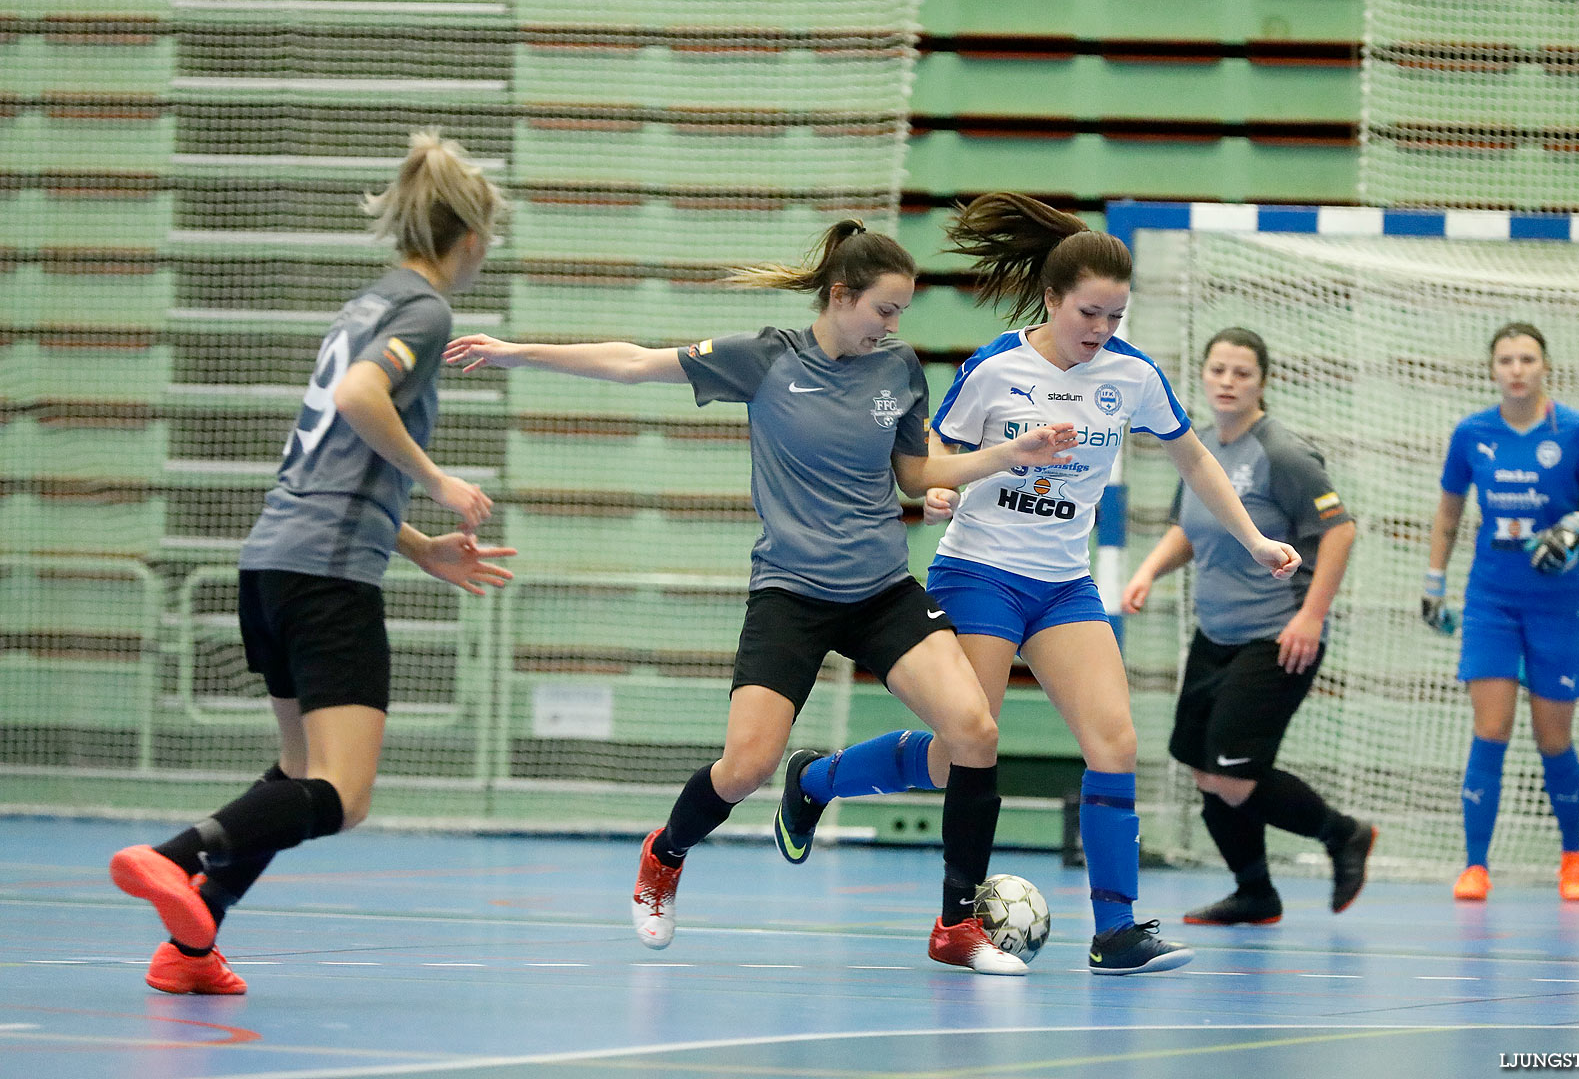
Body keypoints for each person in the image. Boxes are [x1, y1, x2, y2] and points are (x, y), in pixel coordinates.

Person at [443, 221, 1078, 975]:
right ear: (841, 297)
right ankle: (665, 854)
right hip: (791, 595)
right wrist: (516, 351)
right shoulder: (764, 360)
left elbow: (914, 474)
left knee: (975, 731)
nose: (893, 325)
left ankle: (953, 928)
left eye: (901, 312)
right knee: (744, 769)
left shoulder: (900, 369)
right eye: (883, 309)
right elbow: (632, 363)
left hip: (880, 590)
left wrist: (1009, 456)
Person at [767, 194, 1302, 976]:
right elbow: (935, 443)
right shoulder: (996, 366)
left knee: (1114, 741)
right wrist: (942, 489)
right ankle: (815, 780)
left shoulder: (1132, 375)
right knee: (962, 750)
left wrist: (1254, 539)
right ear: (1053, 299)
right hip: (980, 569)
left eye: (1115, 317)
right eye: (1090, 313)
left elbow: (1193, 458)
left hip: (1061, 582)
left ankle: (1115, 930)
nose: (1102, 330)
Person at [108, 130, 516, 994]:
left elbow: (331, 455)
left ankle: (189, 949)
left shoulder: (364, 303)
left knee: (298, 772)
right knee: (345, 793)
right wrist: (438, 482)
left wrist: (416, 545)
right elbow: (358, 398)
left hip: (274, 564)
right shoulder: (426, 311)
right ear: (471, 239)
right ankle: (172, 858)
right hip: (326, 581)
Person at [1122, 328, 1376, 927]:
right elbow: (1194, 527)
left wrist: (1309, 617)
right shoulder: (1202, 448)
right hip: (1216, 636)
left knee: (1233, 775)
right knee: (1202, 768)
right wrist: (1148, 571)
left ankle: (1344, 834)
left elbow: (1339, 531)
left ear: (1262, 381)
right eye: (1218, 371)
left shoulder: (1281, 453)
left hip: (1278, 637)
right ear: (1204, 376)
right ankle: (1255, 893)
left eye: (1241, 372)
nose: (1228, 382)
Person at [1422, 322, 1579, 902]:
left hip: (1556, 603)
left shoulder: (1578, 431)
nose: (1516, 369)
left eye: (1527, 358)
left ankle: (1575, 855)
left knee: (1553, 737)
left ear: (1545, 367)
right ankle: (1475, 865)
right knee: (1491, 729)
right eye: (1505, 359)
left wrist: (1574, 525)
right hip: (1491, 602)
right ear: (1492, 370)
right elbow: (1450, 512)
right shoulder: (1472, 433)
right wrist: (1435, 583)